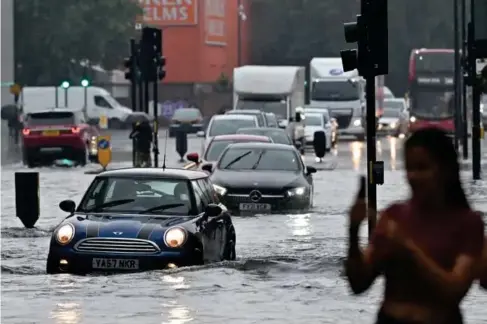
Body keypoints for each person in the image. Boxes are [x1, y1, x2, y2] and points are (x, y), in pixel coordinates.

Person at [345, 127, 484, 324]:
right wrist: (353, 232)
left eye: (422, 168)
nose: (413, 176)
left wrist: (409, 249)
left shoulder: (467, 223)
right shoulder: (394, 216)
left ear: (445, 170)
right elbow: (358, 284)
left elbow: (454, 288)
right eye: (409, 168)